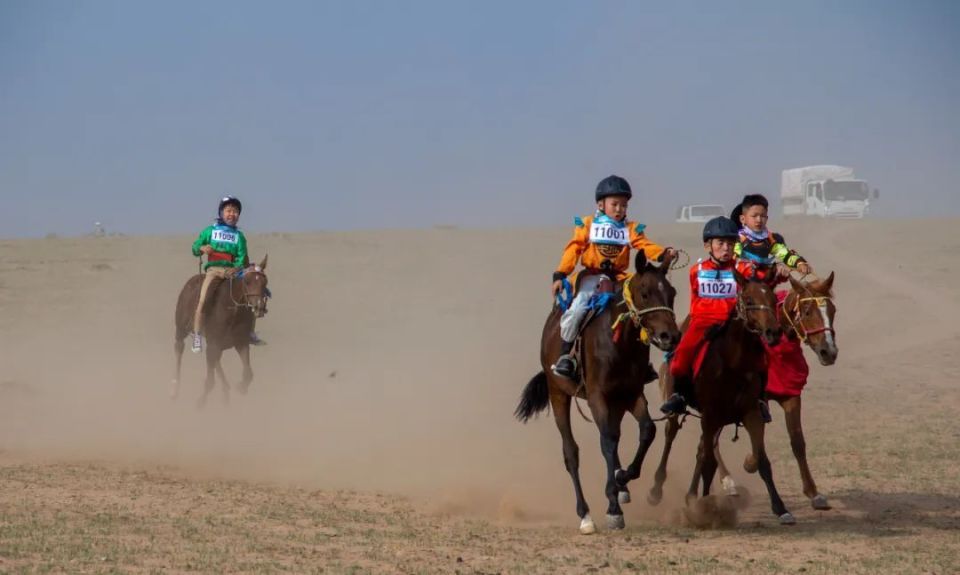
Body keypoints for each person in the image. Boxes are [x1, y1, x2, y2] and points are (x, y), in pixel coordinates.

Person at [550, 175, 675, 380]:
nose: (619, 209)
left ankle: (642, 362)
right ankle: (566, 355)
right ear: (601, 204)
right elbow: (574, 249)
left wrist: (662, 254)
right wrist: (560, 274)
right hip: (591, 277)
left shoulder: (631, 228)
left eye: (623, 205)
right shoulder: (588, 223)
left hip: (620, 277)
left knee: (639, 310)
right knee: (579, 307)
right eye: (614, 204)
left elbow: (644, 245)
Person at [660, 217, 741, 415]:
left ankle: (759, 400)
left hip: (733, 322)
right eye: (720, 243)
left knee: (760, 355)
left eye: (730, 244)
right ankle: (678, 395)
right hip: (703, 322)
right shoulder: (697, 270)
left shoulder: (741, 268)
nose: (726, 248)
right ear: (708, 246)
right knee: (681, 358)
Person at [190, 196, 248, 353]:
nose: (232, 214)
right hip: (214, 271)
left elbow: (242, 258)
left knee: (249, 296)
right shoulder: (210, 231)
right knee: (203, 299)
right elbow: (195, 247)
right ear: (221, 213)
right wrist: (202, 249)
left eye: (235, 211)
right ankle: (197, 334)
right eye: (228, 210)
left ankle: (249, 332)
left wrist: (237, 268)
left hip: (233, 272)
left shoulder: (240, 237)